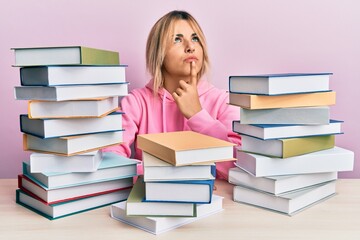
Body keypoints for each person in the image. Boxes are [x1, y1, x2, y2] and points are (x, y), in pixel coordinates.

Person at [103, 10, 241, 180]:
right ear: (159, 52)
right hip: (152, 200)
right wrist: (164, 175)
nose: (190, 47)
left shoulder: (225, 102)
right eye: (177, 39)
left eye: (195, 38)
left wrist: (197, 115)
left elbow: (238, 169)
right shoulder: (136, 103)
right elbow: (111, 160)